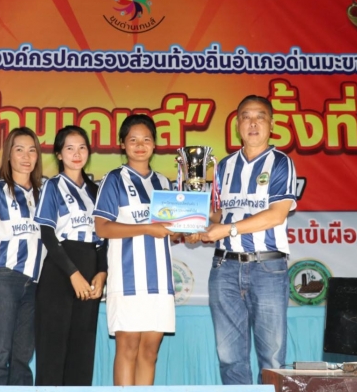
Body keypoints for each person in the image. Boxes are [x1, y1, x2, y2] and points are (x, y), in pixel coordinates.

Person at [186, 95, 297, 385]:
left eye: (260, 116)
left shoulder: (281, 163)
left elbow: (276, 215)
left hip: (267, 267)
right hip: (224, 268)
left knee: (272, 359)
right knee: (229, 357)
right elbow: (218, 214)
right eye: (246, 117)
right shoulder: (224, 166)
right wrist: (190, 221)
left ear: (271, 124)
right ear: (237, 125)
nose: (253, 123)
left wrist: (227, 230)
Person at [93, 114, 180, 386]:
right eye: (133, 140)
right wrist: (147, 228)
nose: (140, 145)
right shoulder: (114, 179)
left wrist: (186, 229)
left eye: (146, 140)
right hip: (127, 278)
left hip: (159, 279)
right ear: (122, 144)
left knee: (150, 351)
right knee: (128, 346)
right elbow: (102, 228)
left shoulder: (164, 183)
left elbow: (171, 229)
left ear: (155, 144)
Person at [34, 125, 108, 386]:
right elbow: (47, 234)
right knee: (52, 353)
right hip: (60, 270)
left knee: (82, 352)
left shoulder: (96, 191)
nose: (77, 154)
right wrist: (73, 274)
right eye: (69, 148)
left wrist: (102, 273)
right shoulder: (52, 186)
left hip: (90, 269)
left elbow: (104, 238)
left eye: (82, 147)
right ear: (58, 154)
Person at [0, 127, 44, 386]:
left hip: (34, 282)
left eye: (32, 150)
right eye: (19, 150)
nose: (26, 156)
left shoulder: (43, 193)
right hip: (3, 277)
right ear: (8, 155)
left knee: (22, 356)